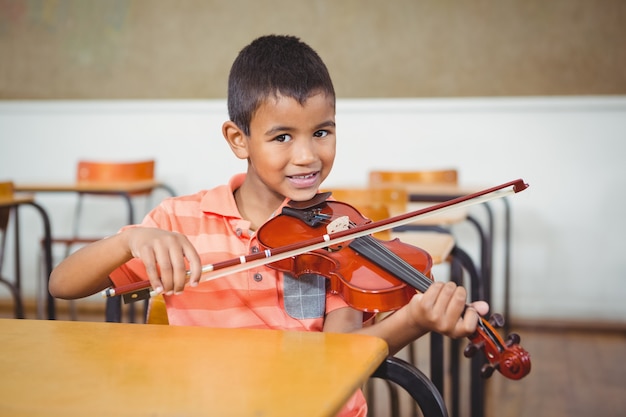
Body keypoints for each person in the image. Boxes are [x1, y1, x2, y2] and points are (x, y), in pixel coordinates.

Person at [49, 34, 488, 417]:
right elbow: (62, 285)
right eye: (282, 137)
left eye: (322, 132)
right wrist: (131, 240)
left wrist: (415, 318)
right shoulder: (178, 221)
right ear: (239, 139)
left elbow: (341, 357)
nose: (307, 156)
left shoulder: (340, 236)